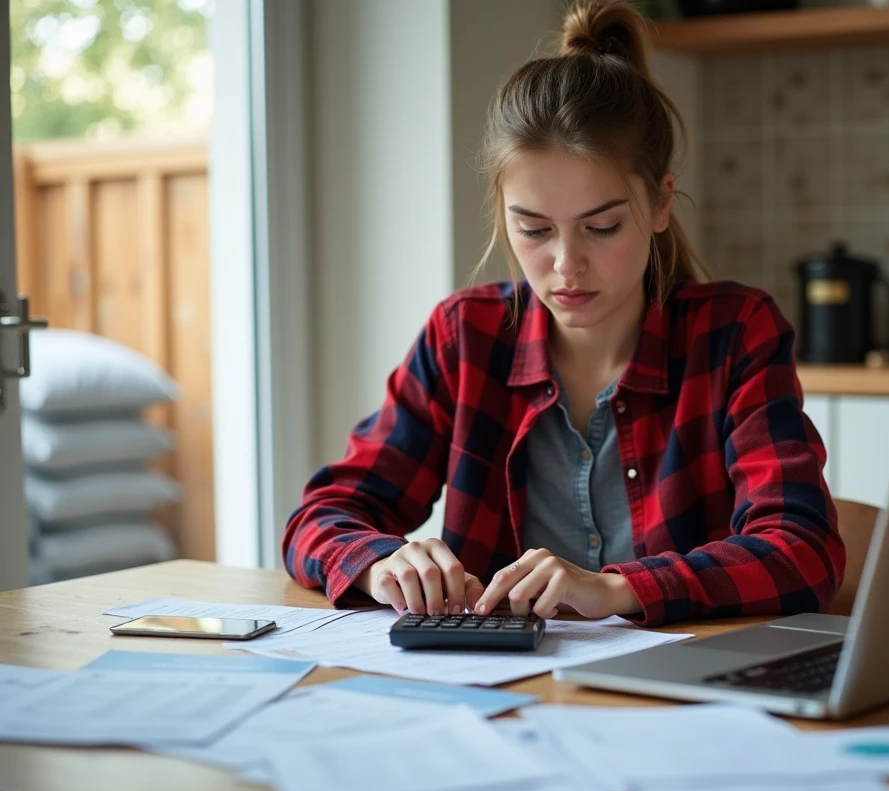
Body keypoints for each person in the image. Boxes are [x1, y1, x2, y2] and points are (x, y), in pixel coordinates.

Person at [282, 0, 844, 627]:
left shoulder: (735, 333)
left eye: (602, 227)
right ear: (503, 212)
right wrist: (380, 563)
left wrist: (616, 589)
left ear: (660, 204)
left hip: (678, 703)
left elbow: (804, 552)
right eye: (534, 229)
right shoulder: (464, 337)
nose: (565, 264)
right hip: (496, 700)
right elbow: (319, 517)